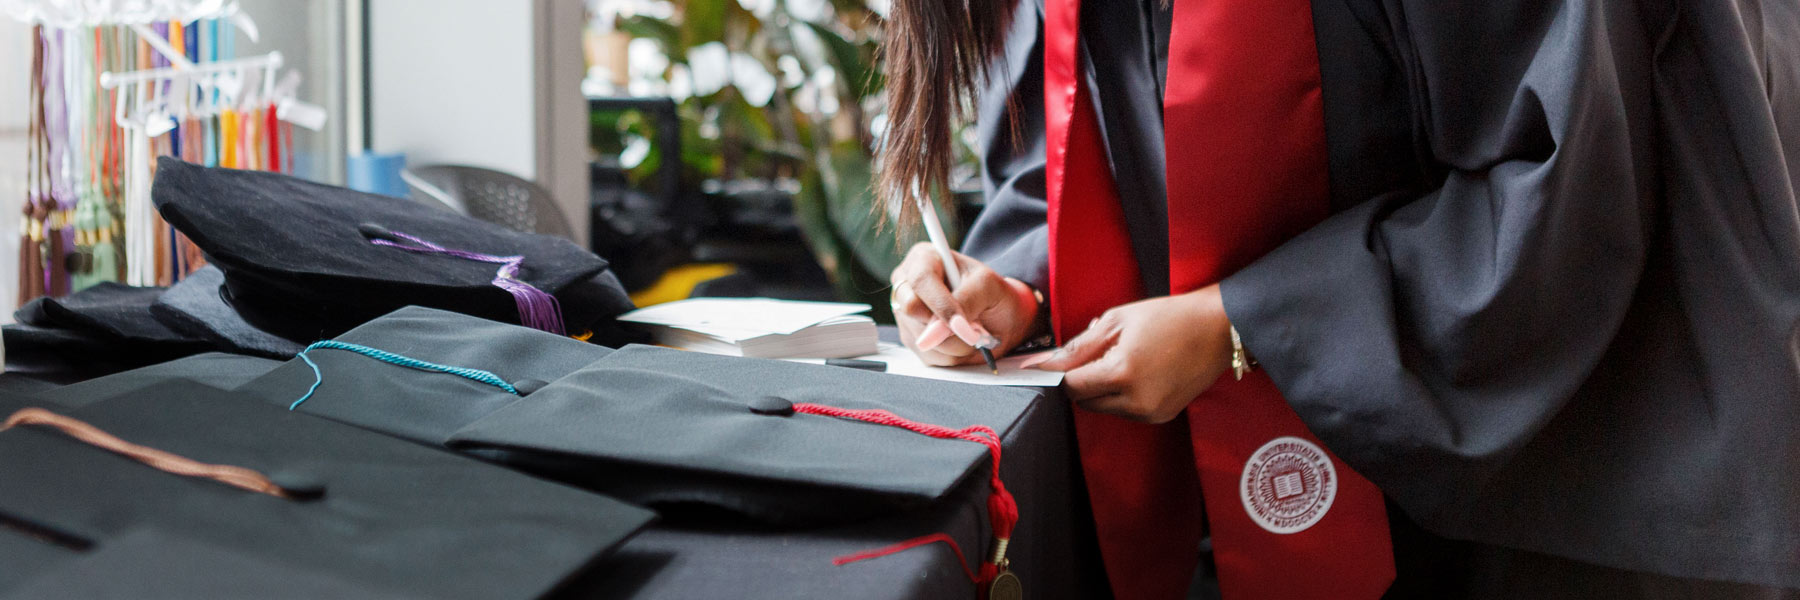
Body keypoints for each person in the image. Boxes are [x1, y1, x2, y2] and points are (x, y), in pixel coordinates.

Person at [879, 0, 1800, 598]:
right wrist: (1028, 288)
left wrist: (1243, 323)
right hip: (1223, 491)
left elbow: (1570, 199)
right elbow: (1106, 137)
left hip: (1531, 492)